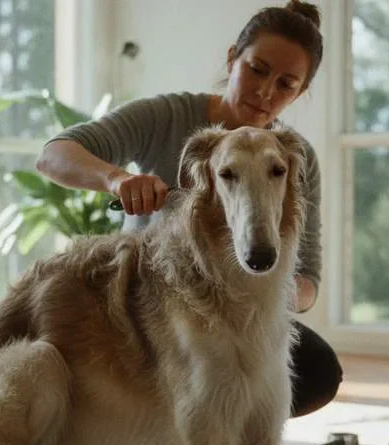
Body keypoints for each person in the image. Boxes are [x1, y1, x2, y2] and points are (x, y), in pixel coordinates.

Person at [34, 0, 342, 417]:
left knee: (318, 371)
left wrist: (260, 294)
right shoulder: (168, 116)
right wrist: (118, 179)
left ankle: (196, 420)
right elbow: (53, 155)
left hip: (238, 320)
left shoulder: (294, 155)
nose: (266, 92)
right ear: (232, 58)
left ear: (300, 92)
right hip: (150, 308)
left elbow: (308, 283)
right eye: (257, 69)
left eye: (286, 84)